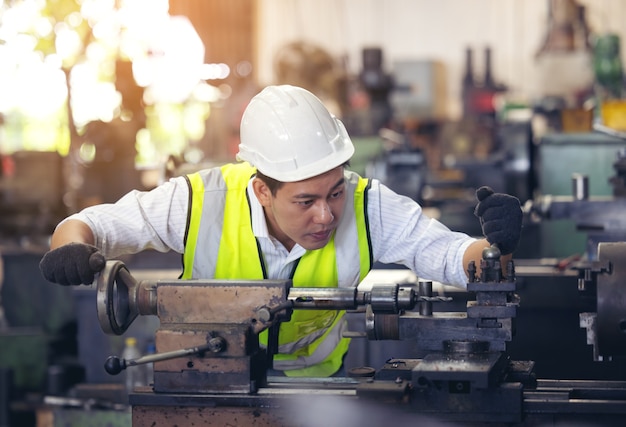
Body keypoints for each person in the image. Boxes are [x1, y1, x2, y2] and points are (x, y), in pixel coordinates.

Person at [39, 85, 522, 378]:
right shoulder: (197, 202)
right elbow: (91, 226)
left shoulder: (365, 203)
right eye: (305, 201)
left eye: (333, 192)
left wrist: (492, 247)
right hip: (207, 383)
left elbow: (445, 253)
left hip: (318, 390)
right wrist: (71, 247)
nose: (327, 215)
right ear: (261, 190)